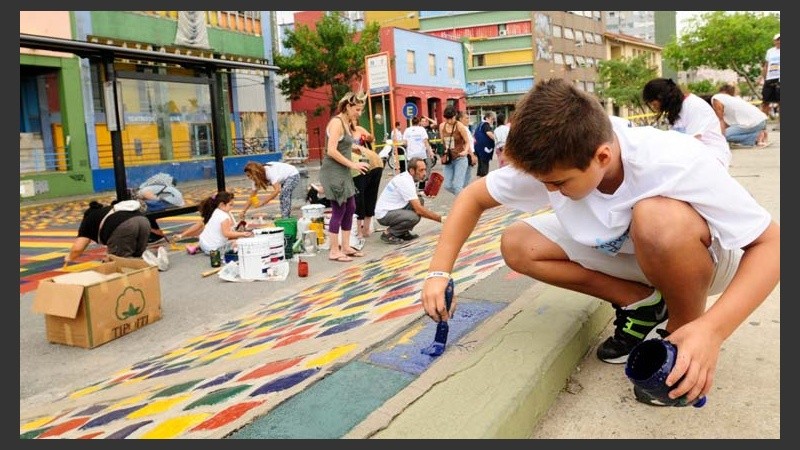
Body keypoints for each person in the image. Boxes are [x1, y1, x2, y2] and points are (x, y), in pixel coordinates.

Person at [420, 78, 779, 407]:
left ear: (602, 157)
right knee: (518, 242)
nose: (548, 190)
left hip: (702, 259)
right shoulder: (556, 159)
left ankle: (682, 334)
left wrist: (712, 330)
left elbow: (772, 244)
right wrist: (438, 271)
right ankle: (642, 304)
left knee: (656, 218)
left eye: (559, 184)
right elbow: (472, 198)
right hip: (629, 252)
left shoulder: (673, 160)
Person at [319, 91, 370, 262]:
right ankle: (334, 250)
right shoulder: (336, 123)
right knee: (339, 209)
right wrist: (353, 164)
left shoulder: (346, 123)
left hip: (343, 171)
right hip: (333, 171)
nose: (359, 113)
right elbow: (331, 150)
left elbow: (342, 145)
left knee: (351, 207)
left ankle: (346, 246)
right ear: (348, 107)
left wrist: (354, 149)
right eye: (357, 109)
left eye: (361, 110)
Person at [642, 78, 731, 168]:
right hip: (696, 155)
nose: (655, 108)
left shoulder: (694, 106)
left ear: (662, 97)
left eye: (654, 104)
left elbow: (692, 142)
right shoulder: (676, 110)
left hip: (712, 156)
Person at [65, 199, 166, 269]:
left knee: (122, 262)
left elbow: (77, 248)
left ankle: (148, 265)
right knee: (136, 254)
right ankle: (148, 260)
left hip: (124, 227)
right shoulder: (108, 210)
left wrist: (69, 257)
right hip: (143, 222)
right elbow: (114, 241)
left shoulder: (88, 220)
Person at [375, 157, 444, 244]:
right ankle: (389, 234)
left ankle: (402, 232)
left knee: (420, 200)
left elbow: (412, 197)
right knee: (413, 217)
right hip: (384, 215)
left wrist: (424, 194)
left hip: (391, 209)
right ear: (412, 171)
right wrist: (441, 219)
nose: (424, 173)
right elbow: (419, 210)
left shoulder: (407, 177)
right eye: (421, 170)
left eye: (425, 170)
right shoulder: (405, 181)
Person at [710, 83, 769, 148]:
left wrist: (720, 137)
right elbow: (728, 125)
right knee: (726, 133)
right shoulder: (735, 99)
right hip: (762, 121)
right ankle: (760, 134)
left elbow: (721, 120)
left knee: (723, 136)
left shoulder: (716, 98)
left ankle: (755, 137)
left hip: (754, 123)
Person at [352, 125, 384, 238]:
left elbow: (371, 138)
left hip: (367, 163)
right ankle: (363, 230)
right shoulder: (340, 130)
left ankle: (364, 229)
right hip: (365, 163)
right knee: (362, 196)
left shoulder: (359, 129)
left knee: (364, 196)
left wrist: (368, 138)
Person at [439, 105, 471, 197]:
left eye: (451, 119)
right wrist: (443, 152)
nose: (449, 121)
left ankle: (461, 206)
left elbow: (467, 141)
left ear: (455, 116)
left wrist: (465, 151)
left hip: (460, 158)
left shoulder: (460, 126)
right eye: (447, 119)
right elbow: (442, 142)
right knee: (447, 185)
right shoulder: (442, 126)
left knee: (457, 186)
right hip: (449, 158)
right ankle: (466, 197)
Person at [402, 116, 434, 189]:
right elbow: (425, 142)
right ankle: (421, 187)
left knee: (412, 171)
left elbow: (405, 143)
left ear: (411, 122)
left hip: (411, 155)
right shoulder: (422, 129)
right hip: (421, 155)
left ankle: (411, 187)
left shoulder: (407, 130)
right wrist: (430, 152)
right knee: (422, 170)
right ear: (419, 122)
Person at [760, 33, 780, 118]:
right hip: (770, 78)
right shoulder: (770, 51)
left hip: (779, 78)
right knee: (765, 102)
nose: (779, 41)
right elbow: (766, 65)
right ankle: (762, 126)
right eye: (777, 39)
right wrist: (763, 78)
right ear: (774, 41)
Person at [473, 111, 496, 177]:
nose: (493, 121)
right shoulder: (486, 125)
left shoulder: (480, 124)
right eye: (492, 119)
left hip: (478, 148)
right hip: (484, 149)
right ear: (487, 118)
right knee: (484, 166)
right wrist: (497, 139)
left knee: (480, 166)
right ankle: (482, 182)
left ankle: (478, 181)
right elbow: (489, 134)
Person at [458, 110, 477, 189]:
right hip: (468, 154)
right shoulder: (463, 129)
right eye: (466, 118)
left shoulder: (466, 128)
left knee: (466, 176)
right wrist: (472, 155)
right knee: (466, 177)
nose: (468, 120)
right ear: (460, 119)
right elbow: (466, 143)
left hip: (469, 153)